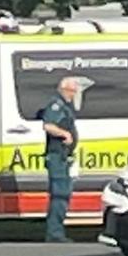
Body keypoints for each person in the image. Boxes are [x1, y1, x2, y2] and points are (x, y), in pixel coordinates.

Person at [41, 77, 79, 243]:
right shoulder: (57, 105)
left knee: (63, 194)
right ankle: (55, 233)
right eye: (72, 91)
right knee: (59, 195)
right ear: (64, 89)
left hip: (64, 158)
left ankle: (57, 231)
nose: (74, 94)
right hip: (58, 157)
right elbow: (48, 125)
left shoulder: (65, 106)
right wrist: (65, 134)